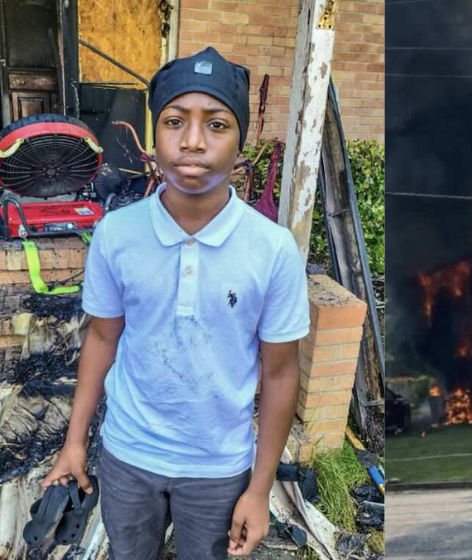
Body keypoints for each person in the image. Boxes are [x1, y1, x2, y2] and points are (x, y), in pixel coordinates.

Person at [39, 47, 310, 559]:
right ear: (155, 135)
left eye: (217, 124)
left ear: (240, 141)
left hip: (218, 467)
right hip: (128, 455)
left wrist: (259, 490)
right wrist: (75, 442)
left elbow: (280, 373)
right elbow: (102, 338)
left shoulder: (272, 249)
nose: (192, 141)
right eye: (174, 121)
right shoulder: (117, 234)